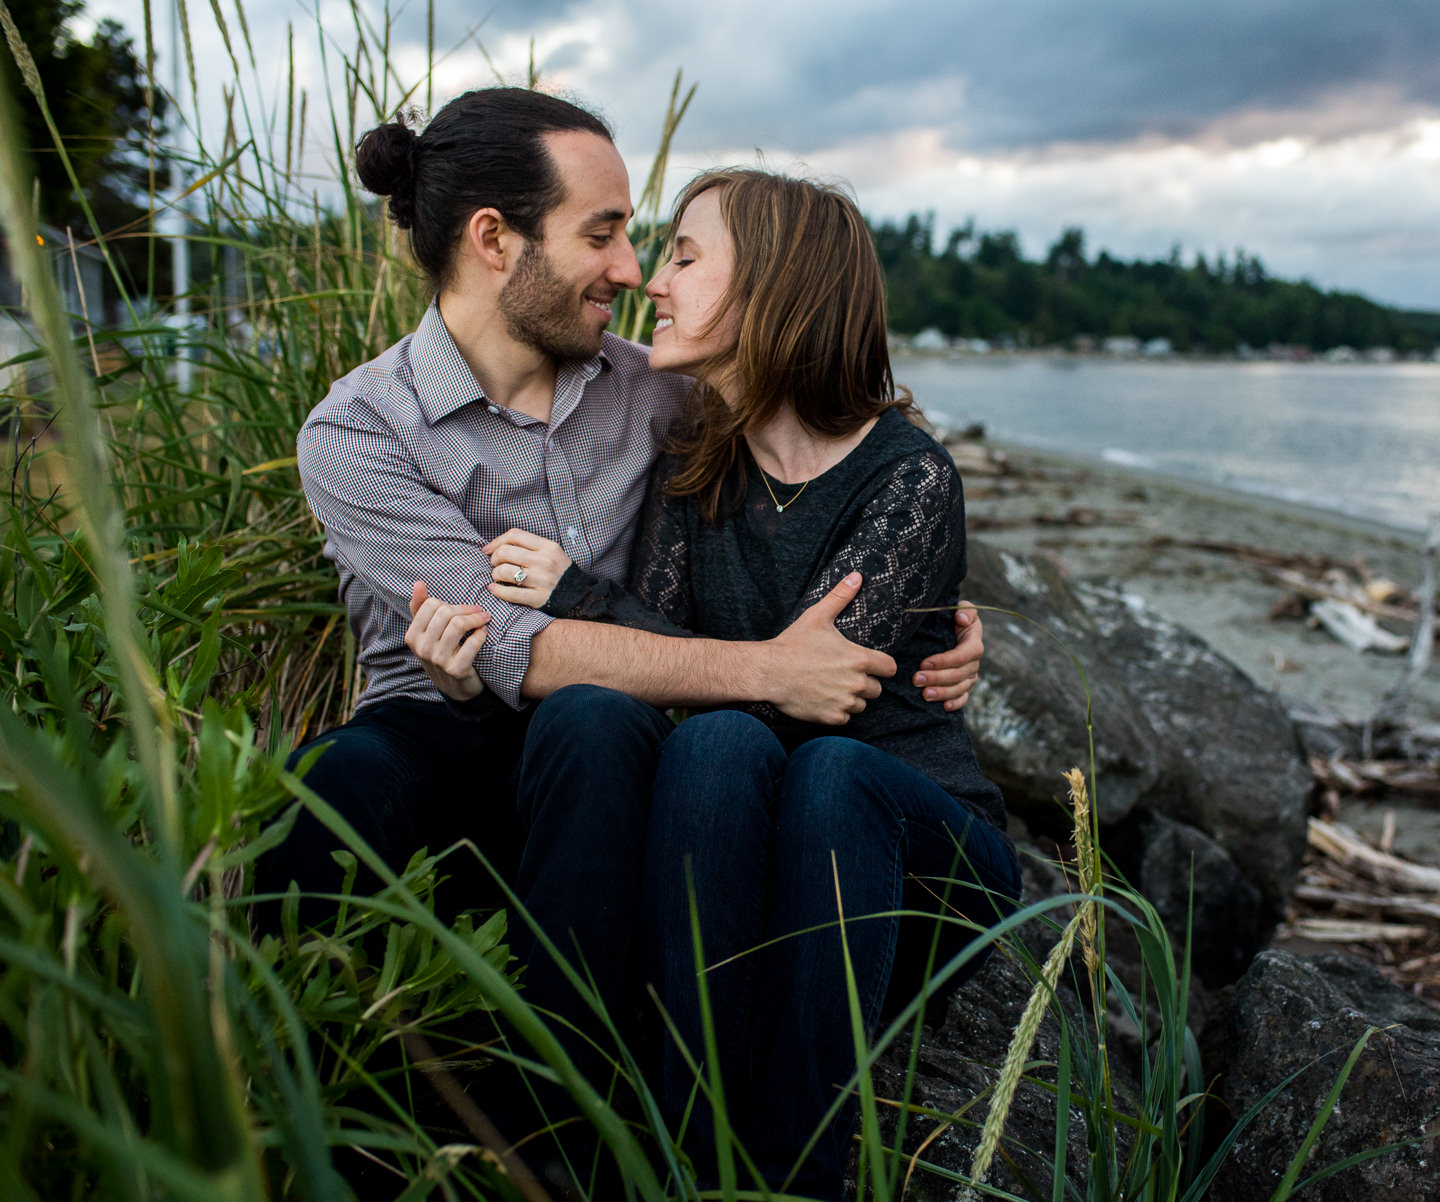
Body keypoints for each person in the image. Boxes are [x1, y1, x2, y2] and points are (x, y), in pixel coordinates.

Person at [269, 86, 985, 1176]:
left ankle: (570, 1140)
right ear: (495, 240)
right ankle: (290, 1109)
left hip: (617, 734)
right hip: (450, 721)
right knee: (333, 789)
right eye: (604, 234)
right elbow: (521, 647)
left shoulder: (660, 389)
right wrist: (773, 671)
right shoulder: (359, 428)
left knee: (607, 729)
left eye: (651, 243)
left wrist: (955, 629)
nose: (631, 267)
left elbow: (831, 435)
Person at [411, 169, 1020, 1199]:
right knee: (714, 742)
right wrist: (660, 657)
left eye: (688, 257)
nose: (655, 280)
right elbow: (700, 684)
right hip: (758, 852)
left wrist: (584, 600)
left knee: (821, 765)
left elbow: (814, 691)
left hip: (906, 849)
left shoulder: (910, 477)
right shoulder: (698, 460)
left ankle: (797, 1177)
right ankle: (677, 1147)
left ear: (777, 289)